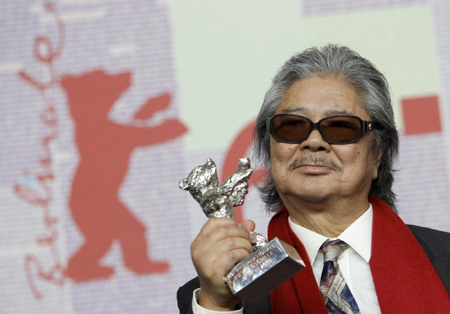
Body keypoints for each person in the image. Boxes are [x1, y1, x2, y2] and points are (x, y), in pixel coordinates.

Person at [177, 44, 450, 314]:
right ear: (270, 151)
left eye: (340, 127)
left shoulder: (444, 260)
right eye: (292, 125)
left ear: (378, 153)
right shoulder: (221, 294)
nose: (314, 141)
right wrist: (217, 305)